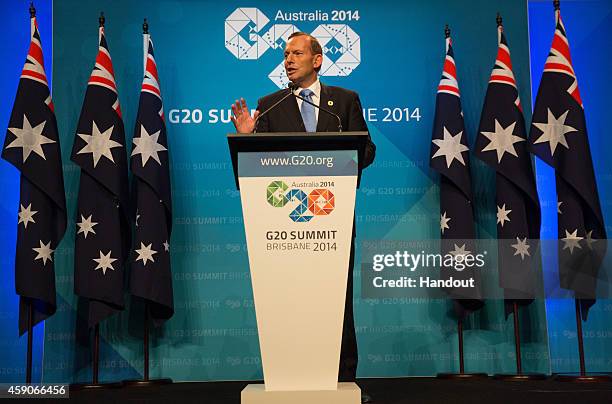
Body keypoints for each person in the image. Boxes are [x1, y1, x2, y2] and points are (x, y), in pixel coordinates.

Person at [231, 32, 375, 403]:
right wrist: (247, 137)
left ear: (317, 60)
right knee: (285, 297)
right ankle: (286, 375)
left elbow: (367, 150)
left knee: (337, 300)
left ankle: (343, 380)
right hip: (282, 226)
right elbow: (255, 163)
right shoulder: (270, 104)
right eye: (285, 54)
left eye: (297, 53)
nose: (288, 60)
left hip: (333, 220)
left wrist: (345, 152)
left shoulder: (343, 102)